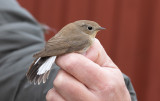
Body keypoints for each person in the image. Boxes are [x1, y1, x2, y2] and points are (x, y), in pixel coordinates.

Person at [0, 0, 137, 101]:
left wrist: (87, 85)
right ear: (83, 28)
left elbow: (12, 51)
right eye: (91, 28)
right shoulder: (85, 39)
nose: (95, 31)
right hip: (55, 50)